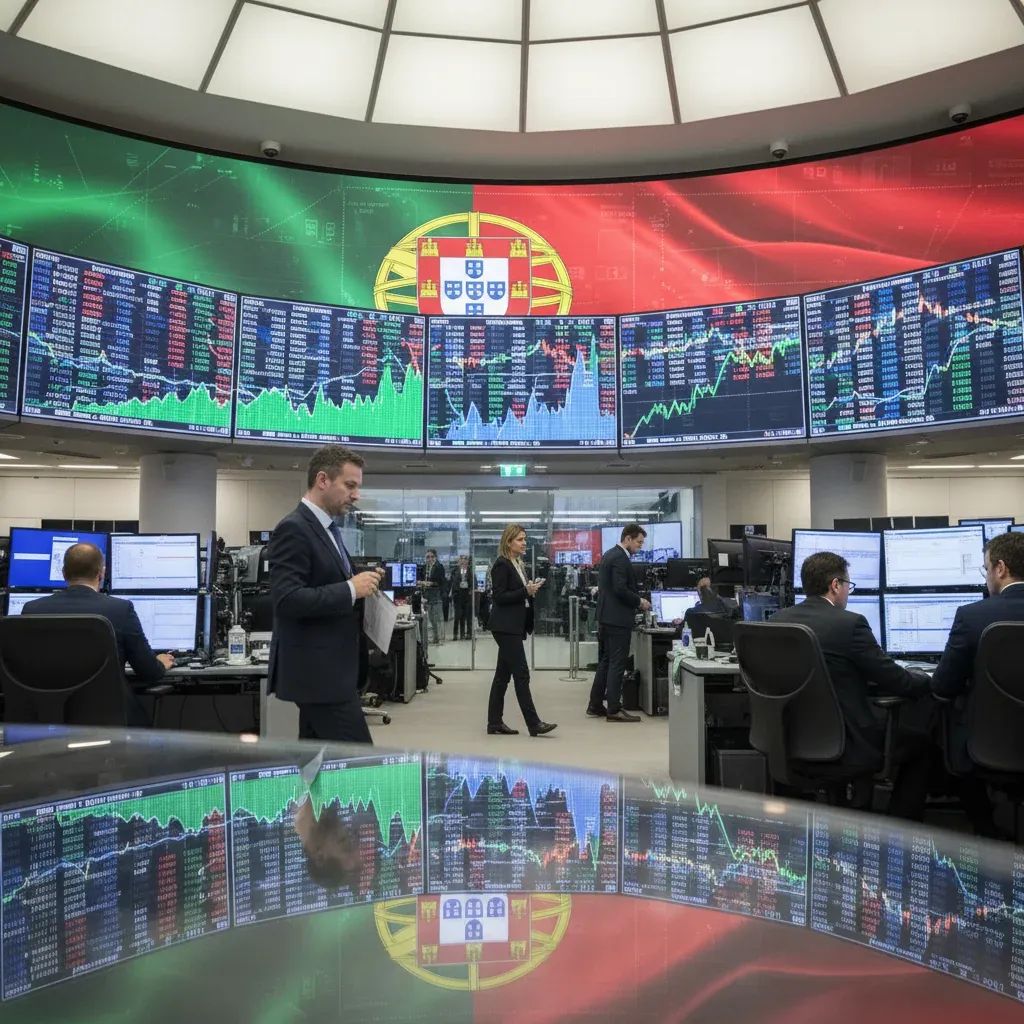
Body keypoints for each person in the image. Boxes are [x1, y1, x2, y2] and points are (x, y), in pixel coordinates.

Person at [770, 551, 934, 819]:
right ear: (835, 585)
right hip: (848, 743)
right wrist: (926, 680)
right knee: (923, 743)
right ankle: (900, 830)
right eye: (848, 585)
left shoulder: (777, 621)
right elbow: (898, 681)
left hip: (790, 738)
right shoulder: (851, 624)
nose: (848, 592)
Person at [267, 444, 385, 743]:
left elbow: (328, 578)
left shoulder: (327, 529)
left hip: (330, 673)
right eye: (350, 485)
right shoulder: (294, 528)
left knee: (316, 767)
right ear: (323, 480)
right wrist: (350, 588)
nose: (356, 495)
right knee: (359, 766)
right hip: (319, 678)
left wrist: (363, 580)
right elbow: (287, 599)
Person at [21, 542, 173, 726]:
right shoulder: (120, 609)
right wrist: (160, 663)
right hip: (108, 722)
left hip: (47, 719)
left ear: (63, 573)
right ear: (101, 573)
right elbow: (148, 671)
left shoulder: (32, 609)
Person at [931, 531, 1024, 770]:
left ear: (1000, 568)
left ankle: (979, 809)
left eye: (986, 570)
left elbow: (942, 687)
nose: (986, 579)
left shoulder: (971, 615)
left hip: (989, 743)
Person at [486, 524, 556, 737]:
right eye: (520, 539)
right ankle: (533, 723)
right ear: (509, 542)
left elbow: (516, 593)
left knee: (502, 677)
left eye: (525, 539)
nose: (524, 543)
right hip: (505, 626)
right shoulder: (501, 565)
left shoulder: (518, 564)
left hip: (514, 625)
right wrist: (524, 591)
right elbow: (499, 596)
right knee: (521, 673)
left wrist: (529, 591)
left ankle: (494, 723)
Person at [588, 523, 650, 723]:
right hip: (617, 619)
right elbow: (620, 589)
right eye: (638, 543)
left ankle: (595, 704)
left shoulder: (609, 554)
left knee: (606, 662)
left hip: (607, 617)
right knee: (617, 663)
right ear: (628, 538)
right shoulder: (620, 559)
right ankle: (613, 708)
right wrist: (639, 601)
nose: (640, 547)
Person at [421, 549, 445, 645]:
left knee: (436, 617)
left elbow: (442, 582)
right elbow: (422, 578)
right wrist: (422, 583)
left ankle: (438, 637)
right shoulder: (424, 567)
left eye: (431, 557)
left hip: (436, 595)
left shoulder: (439, 567)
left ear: (435, 557)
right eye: (427, 557)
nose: (429, 559)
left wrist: (431, 583)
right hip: (427, 595)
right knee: (430, 617)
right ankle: (434, 637)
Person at [450, 555, 473, 640]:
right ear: (459, 561)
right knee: (458, 617)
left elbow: (473, 582)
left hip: (467, 596)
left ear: (468, 561)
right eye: (461, 559)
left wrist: (471, 590)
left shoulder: (470, 571)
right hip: (458, 596)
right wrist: (454, 594)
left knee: (468, 616)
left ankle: (468, 634)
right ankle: (456, 634)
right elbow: (452, 583)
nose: (463, 561)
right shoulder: (455, 571)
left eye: (465, 559)